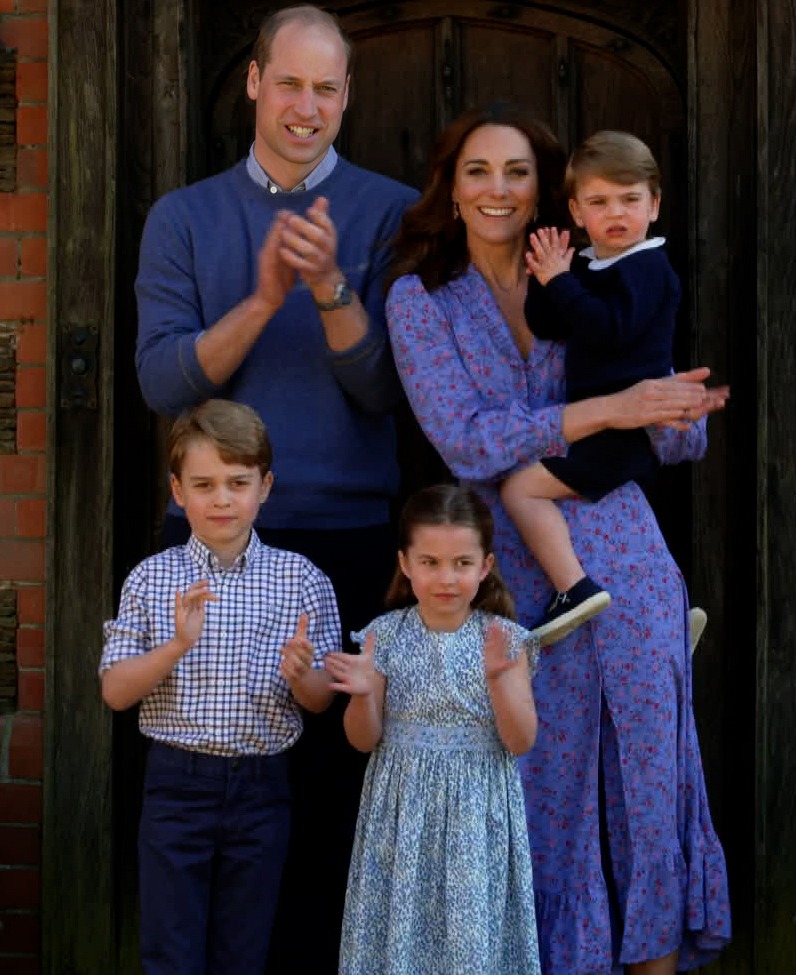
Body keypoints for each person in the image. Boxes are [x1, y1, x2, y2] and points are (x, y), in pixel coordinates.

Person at [385, 102, 731, 975]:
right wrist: (611, 409)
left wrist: (676, 409)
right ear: (450, 189)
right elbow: (465, 439)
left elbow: (665, 423)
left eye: (516, 172)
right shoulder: (419, 297)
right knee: (542, 786)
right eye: (478, 171)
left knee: (651, 777)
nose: (498, 189)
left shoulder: (594, 267)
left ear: (549, 192)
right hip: (510, 564)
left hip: (625, 540)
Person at [133, 6, 418, 969]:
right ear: (253, 82)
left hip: (344, 536)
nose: (306, 107)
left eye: (326, 88)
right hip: (210, 542)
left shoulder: (392, 212)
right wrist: (261, 298)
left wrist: (332, 287)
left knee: (333, 800)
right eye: (288, 83)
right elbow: (165, 382)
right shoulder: (185, 216)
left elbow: (387, 391)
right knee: (204, 804)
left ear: (347, 97)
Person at [99, 399, 339, 975]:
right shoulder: (152, 578)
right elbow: (115, 692)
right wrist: (177, 645)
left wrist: (302, 674)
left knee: (243, 949)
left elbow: (322, 699)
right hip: (176, 785)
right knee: (170, 949)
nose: (222, 499)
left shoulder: (301, 579)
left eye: (238, 482)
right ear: (178, 491)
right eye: (204, 484)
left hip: (261, 787)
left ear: (265, 486)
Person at [326, 484, 542, 975]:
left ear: (485, 566)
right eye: (430, 562)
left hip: (476, 814)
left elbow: (521, 741)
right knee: (401, 936)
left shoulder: (505, 639)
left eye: (462, 563)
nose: (447, 577)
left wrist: (500, 682)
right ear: (405, 563)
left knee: (470, 943)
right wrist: (362, 693)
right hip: (401, 814)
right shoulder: (385, 634)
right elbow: (363, 739)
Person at [500, 130, 682, 646]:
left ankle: (573, 589)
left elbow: (609, 329)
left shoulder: (649, 268)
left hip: (622, 433)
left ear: (655, 205)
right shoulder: (591, 265)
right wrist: (547, 275)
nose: (616, 213)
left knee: (520, 489)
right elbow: (549, 323)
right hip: (599, 426)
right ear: (578, 213)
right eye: (600, 202)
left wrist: (563, 281)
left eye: (630, 199)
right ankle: (659, 618)